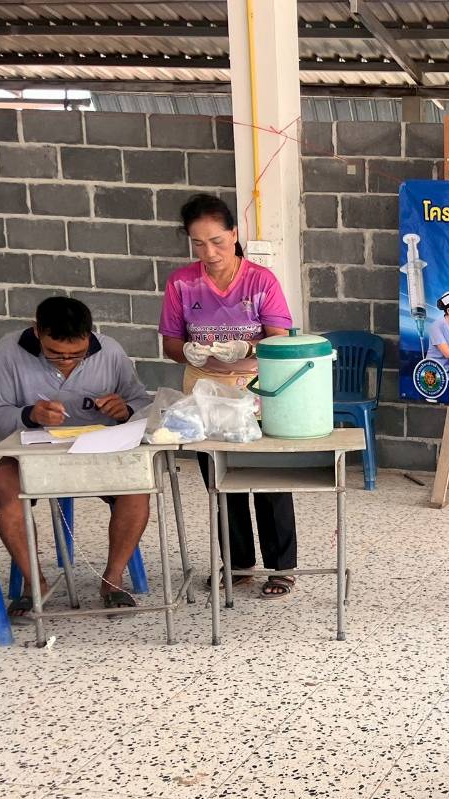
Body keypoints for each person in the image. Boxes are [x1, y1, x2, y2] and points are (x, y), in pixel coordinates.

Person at [159, 193, 298, 599]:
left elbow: (280, 338)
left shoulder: (260, 281)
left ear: (234, 234)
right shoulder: (182, 283)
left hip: (254, 387)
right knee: (219, 478)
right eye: (198, 243)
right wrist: (187, 350)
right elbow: (170, 342)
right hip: (204, 390)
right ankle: (237, 564)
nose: (210, 252)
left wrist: (247, 348)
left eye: (217, 241)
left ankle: (281, 567)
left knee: (269, 478)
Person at [0, 296, 151, 617]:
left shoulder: (109, 350)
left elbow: (142, 403)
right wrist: (30, 414)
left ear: (89, 336)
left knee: (138, 485)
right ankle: (35, 583)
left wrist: (125, 410)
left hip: (100, 450)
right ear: (37, 332)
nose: (66, 361)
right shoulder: (10, 350)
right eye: (55, 354)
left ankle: (113, 579)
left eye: (77, 354)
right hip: (34, 452)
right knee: (2, 486)